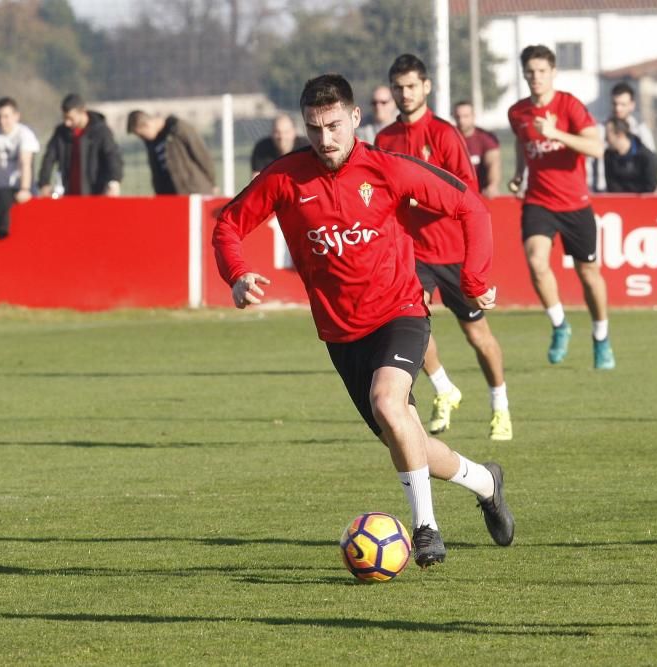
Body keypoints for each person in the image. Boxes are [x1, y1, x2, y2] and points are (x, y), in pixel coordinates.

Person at [213, 73, 514, 568]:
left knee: (387, 402)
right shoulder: (285, 177)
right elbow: (228, 224)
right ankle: (486, 481)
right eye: (314, 129)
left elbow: (470, 206)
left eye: (334, 125)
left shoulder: (387, 169)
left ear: (355, 118)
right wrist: (238, 274)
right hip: (340, 334)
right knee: (404, 433)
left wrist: (475, 277)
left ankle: (425, 529)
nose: (325, 140)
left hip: (400, 311)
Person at [375, 54, 513, 441]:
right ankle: (444, 388)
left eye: (411, 86)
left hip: (452, 252)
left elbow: (466, 193)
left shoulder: (445, 134)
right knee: (408, 325)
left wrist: (419, 200)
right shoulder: (385, 140)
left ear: (426, 87)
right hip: (412, 254)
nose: (405, 94)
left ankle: (500, 405)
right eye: (399, 87)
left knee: (477, 336)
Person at [508, 44, 615, 369]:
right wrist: (518, 173)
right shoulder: (517, 112)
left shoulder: (569, 105)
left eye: (542, 71)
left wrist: (556, 132)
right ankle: (560, 325)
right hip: (538, 202)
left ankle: (601, 337)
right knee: (536, 262)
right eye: (530, 72)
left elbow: (596, 148)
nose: (536, 77)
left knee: (588, 274)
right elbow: (521, 140)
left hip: (575, 204)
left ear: (553, 72)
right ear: (524, 74)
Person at [38, 93, 122, 197]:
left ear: (82, 112)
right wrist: (44, 182)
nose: (67, 123)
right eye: (65, 118)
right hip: (68, 192)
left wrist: (114, 181)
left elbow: (112, 156)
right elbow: (49, 157)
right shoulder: (61, 133)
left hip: (95, 192)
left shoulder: (101, 132)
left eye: (71, 118)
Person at [127, 110, 216, 195]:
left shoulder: (178, 129)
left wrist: (213, 182)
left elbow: (201, 155)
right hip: (171, 197)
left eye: (142, 135)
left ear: (147, 125)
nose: (143, 139)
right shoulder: (152, 144)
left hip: (195, 191)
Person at [590, 81, 657, 192]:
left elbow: (650, 161)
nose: (618, 109)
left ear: (632, 105)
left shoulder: (640, 131)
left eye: (623, 104)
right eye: (615, 104)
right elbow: (590, 161)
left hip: (636, 192)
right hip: (603, 191)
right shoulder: (599, 130)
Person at [0, 97, 40, 240]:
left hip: (17, 187)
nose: (2, 121)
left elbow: (25, 163)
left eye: (6, 116)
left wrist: (25, 189)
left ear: (16, 116)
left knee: (3, 196)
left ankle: (2, 233)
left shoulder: (24, 135)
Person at [452, 100, 501, 198]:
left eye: (466, 116)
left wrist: (492, 185)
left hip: (480, 193)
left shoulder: (486, 138)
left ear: (473, 116)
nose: (461, 120)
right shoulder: (447, 137)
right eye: (458, 117)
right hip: (454, 193)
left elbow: (493, 164)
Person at [603, 117, 657, 193]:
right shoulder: (609, 156)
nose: (605, 139)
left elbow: (650, 188)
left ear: (620, 134)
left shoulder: (647, 158)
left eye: (608, 135)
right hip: (620, 203)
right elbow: (612, 188)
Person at [250, 113, 308, 178]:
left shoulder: (305, 148)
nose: (281, 137)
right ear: (272, 133)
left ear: (294, 132)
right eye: (277, 132)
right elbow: (256, 180)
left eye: (286, 132)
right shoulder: (261, 149)